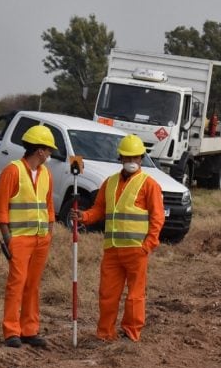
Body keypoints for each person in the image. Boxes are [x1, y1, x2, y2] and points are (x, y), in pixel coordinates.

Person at [69, 134, 165, 342]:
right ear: (120, 158)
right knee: (107, 295)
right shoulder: (109, 183)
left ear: (141, 159)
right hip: (112, 250)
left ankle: (131, 332)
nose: (131, 162)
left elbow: (157, 218)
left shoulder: (149, 185)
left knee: (135, 296)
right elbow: (99, 210)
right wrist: (84, 216)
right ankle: (105, 333)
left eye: (135, 158)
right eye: (127, 158)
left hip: (136, 250)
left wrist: (148, 245)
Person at [0, 125, 57, 348]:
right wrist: (8, 238)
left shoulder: (47, 174)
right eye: (48, 150)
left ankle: (29, 330)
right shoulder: (13, 171)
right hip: (19, 239)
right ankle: (11, 331)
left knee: (33, 285)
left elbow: (49, 207)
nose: (50, 154)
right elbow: (0, 209)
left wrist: (49, 232)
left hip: (40, 239)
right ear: (39, 150)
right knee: (16, 284)